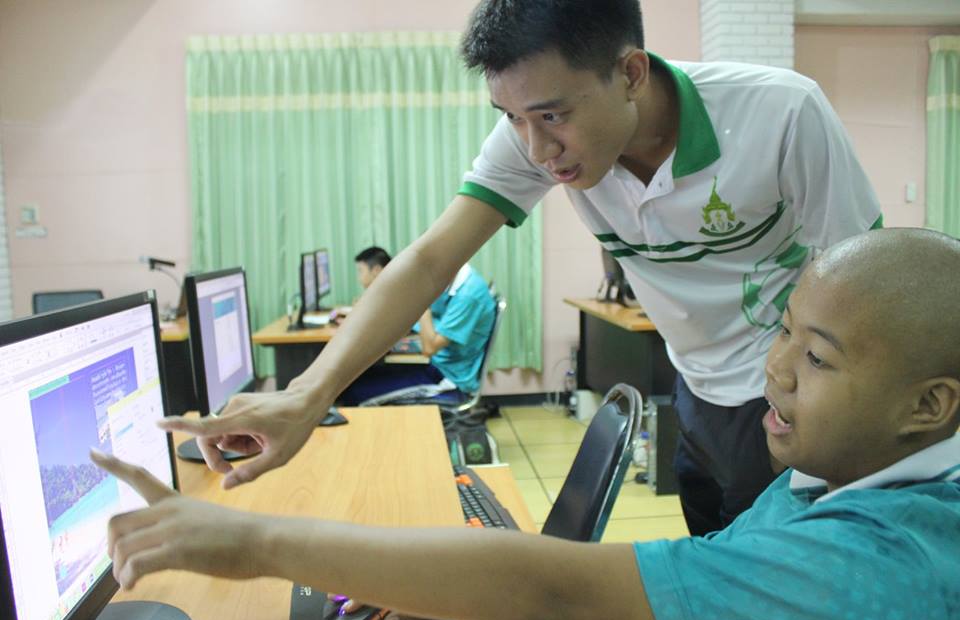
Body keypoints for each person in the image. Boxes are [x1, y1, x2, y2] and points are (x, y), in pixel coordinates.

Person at [161, 0, 881, 537]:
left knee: (777, 583)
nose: (536, 150)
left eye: (552, 117)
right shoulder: (533, 135)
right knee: (710, 559)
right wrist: (307, 395)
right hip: (694, 387)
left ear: (630, 73)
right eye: (511, 118)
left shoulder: (779, 114)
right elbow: (431, 259)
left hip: (785, 395)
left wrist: (824, 408)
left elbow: (864, 282)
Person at [95, 229, 960, 620]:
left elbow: (564, 592)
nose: (773, 370)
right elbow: (690, 578)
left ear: (929, 405)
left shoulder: (881, 562)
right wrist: (446, 584)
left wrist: (254, 542)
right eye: (783, 332)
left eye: (816, 357)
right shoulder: (842, 473)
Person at [337, 247, 497, 405]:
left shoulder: (468, 294)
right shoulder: (450, 281)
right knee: (355, 380)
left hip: (449, 379)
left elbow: (429, 348)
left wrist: (422, 300)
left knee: (354, 392)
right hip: (436, 365)